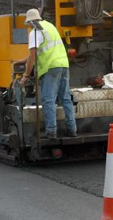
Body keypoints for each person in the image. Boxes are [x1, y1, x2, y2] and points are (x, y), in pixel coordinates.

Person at [19, 8, 77, 139]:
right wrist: (23, 60)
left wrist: (25, 76)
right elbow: (44, 49)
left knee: (48, 100)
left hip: (50, 68)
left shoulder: (35, 32)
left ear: (31, 22)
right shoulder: (50, 26)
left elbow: (32, 56)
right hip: (63, 64)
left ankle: (51, 131)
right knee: (66, 98)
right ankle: (72, 129)